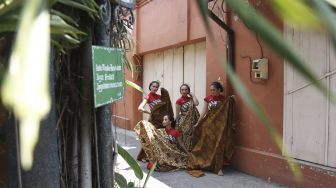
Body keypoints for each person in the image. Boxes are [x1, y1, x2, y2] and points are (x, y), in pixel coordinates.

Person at [187, 81, 236, 176]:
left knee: (219, 146)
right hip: (208, 125)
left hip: (220, 127)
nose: (212, 92)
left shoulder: (224, 99)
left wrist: (232, 100)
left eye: (214, 90)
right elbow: (204, 112)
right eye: (211, 90)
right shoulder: (207, 99)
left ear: (219, 90)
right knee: (205, 145)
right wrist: (198, 123)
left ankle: (218, 168)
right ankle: (203, 164)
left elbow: (228, 110)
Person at [137, 81, 174, 161]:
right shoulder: (148, 97)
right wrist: (150, 112)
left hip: (162, 121)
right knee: (150, 138)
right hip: (154, 121)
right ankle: (145, 156)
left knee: (162, 139)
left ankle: (160, 156)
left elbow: (166, 106)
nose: (155, 88)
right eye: (153, 86)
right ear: (150, 87)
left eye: (156, 87)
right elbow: (140, 108)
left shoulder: (160, 96)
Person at [175, 84, 200, 151]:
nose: (184, 91)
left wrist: (193, 95)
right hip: (184, 120)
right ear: (180, 91)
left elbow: (196, 103)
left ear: (188, 91)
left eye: (186, 89)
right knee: (185, 136)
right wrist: (177, 124)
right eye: (182, 90)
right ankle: (185, 151)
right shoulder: (179, 101)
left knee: (192, 136)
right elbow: (177, 113)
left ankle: (191, 151)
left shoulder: (191, 99)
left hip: (192, 120)